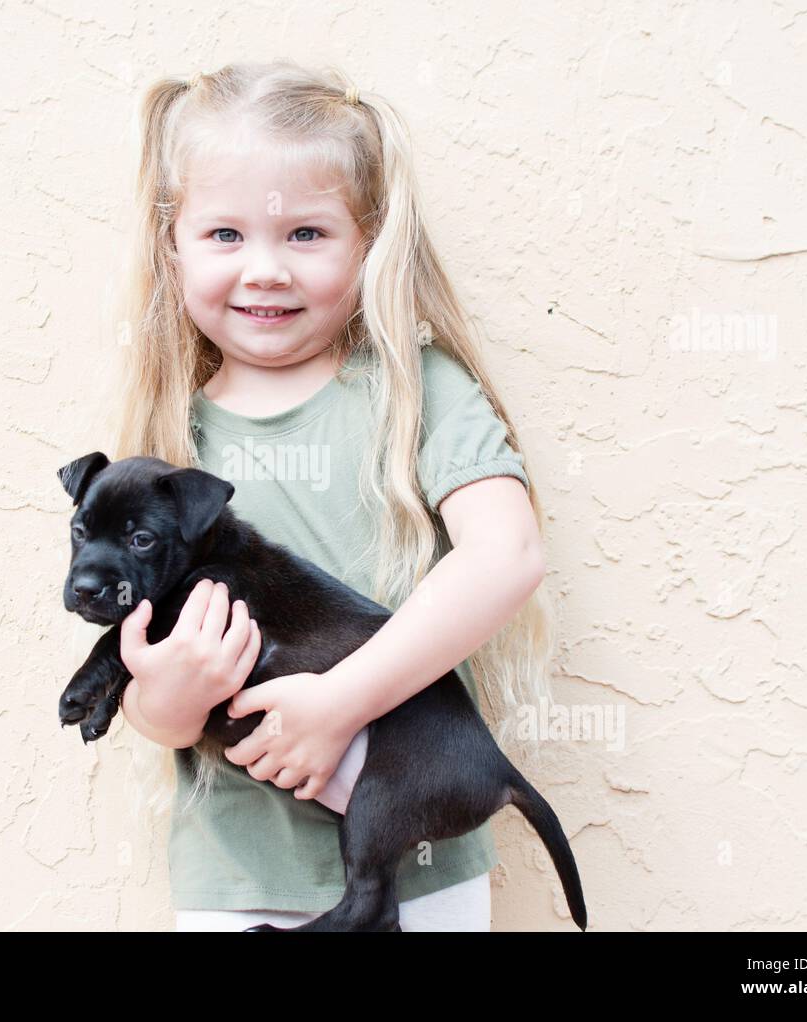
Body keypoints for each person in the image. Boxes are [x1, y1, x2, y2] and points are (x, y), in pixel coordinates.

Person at [102, 61, 556, 931]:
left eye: (306, 234)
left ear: (368, 240)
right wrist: (170, 692)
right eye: (225, 235)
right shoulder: (167, 452)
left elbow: (509, 555)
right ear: (173, 245)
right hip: (240, 881)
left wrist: (341, 703)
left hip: (419, 877)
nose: (264, 269)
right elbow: (152, 708)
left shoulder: (416, 392)